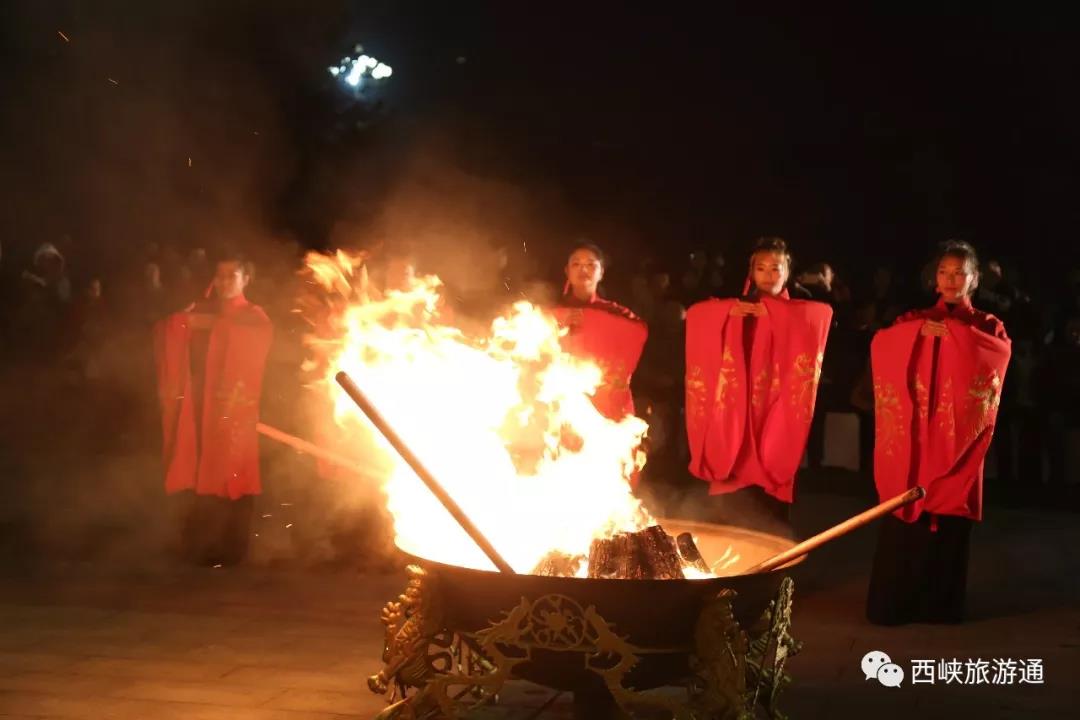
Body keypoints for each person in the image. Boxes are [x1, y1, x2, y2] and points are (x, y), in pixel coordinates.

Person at [866, 240, 1011, 625]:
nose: (950, 280)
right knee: (904, 514)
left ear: (974, 279)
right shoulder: (913, 319)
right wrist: (919, 335)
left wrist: (955, 336)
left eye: (960, 273)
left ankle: (940, 607)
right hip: (914, 439)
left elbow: (996, 356)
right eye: (944, 272)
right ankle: (894, 605)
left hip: (957, 439)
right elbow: (883, 345)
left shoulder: (987, 326)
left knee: (948, 509)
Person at [684, 237, 833, 528]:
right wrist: (728, 313)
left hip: (773, 406)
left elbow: (823, 314)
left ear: (788, 272)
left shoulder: (799, 309)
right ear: (751, 272)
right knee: (731, 502)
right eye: (761, 268)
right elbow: (696, 314)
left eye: (776, 268)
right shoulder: (738, 307)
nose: (768, 275)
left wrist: (775, 313)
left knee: (770, 507)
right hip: (737, 408)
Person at [154, 251, 273, 565]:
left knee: (233, 474)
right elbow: (170, 328)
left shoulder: (254, 316)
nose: (223, 282)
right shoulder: (202, 311)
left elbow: (249, 340)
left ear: (246, 279)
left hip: (233, 412)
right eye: (219, 276)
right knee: (200, 472)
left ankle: (233, 549)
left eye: (231, 276)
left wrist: (209, 324)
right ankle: (199, 545)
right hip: (200, 407)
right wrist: (182, 323)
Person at [552, 243, 648, 424]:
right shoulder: (551, 312)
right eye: (576, 264)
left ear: (601, 272)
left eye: (590, 264)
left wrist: (590, 320)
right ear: (567, 271)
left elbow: (638, 331)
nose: (583, 269)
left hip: (605, 401)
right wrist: (558, 319)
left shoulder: (615, 313)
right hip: (561, 398)